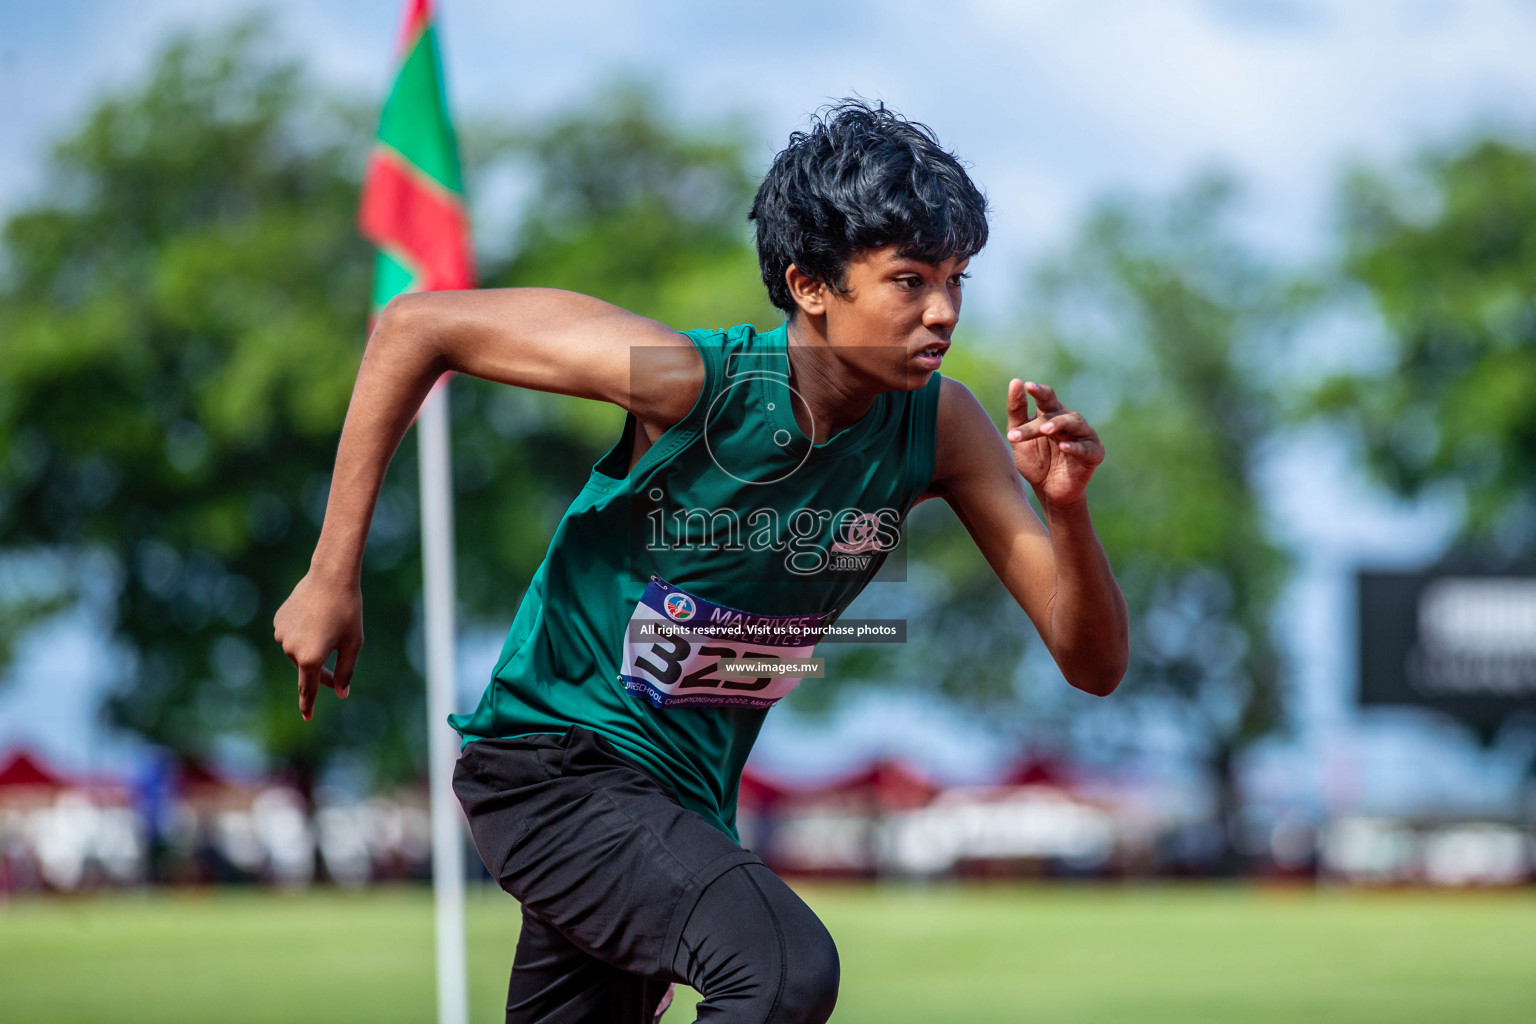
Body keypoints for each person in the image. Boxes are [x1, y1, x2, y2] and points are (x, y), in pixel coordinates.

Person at [273, 100, 1128, 1024]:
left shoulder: (940, 429)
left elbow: (1092, 664)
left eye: (958, 280)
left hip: (675, 806)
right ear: (810, 285)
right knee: (782, 969)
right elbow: (417, 326)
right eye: (910, 281)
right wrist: (332, 574)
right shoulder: (686, 384)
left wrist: (1065, 511)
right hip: (555, 771)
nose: (943, 312)